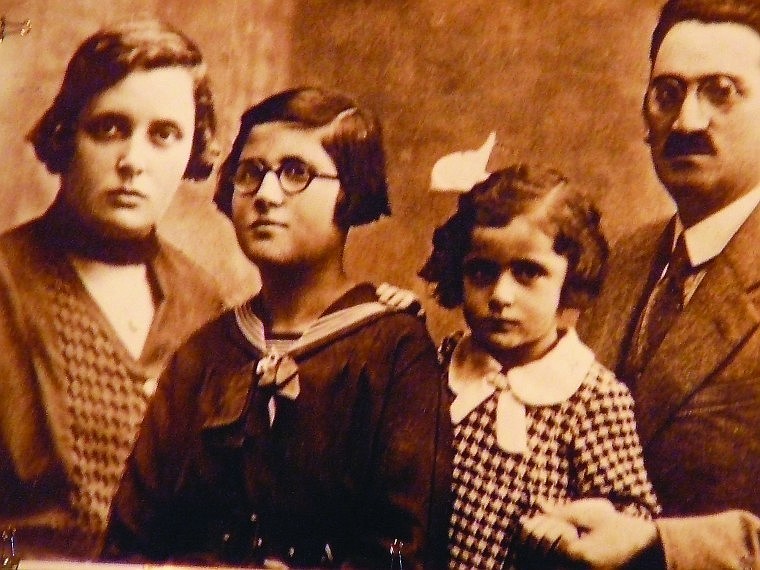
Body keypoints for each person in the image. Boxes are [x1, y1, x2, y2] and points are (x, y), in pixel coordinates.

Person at [103, 86, 450, 569]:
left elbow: (404, 550)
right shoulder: (203, 354)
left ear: (351, 192)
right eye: (250, 174)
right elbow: (129, 540)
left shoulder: (394, 351)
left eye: (295, 173)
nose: (265, 196)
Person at [524, 0, 760, 567]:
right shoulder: (618, 260)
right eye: (668, 93)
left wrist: (661, 546)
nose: (687, 122)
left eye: (722, 91)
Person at [0, 19, 225, 560]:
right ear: (65, 134)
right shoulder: (6, 281)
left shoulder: (202, 300)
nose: (134, 162)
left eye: (164, 134)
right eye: (108, 128)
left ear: (194, 145)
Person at [417, 164, 660, 569]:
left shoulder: (593, 397)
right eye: (482, 272)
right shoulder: (444, 363)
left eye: (528, 273)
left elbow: (633, 516)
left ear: (571, 279)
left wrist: (575, 532)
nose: (500, 295)